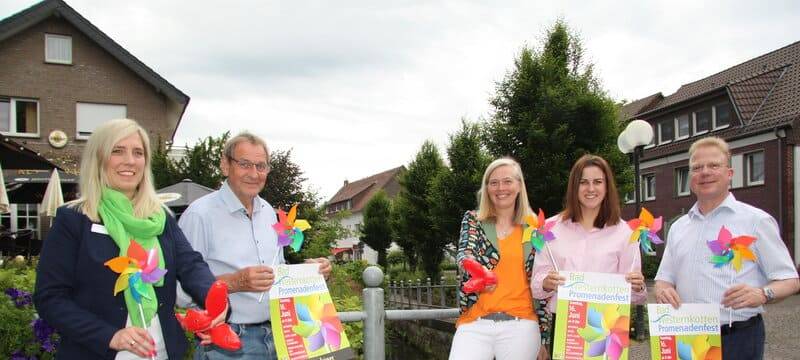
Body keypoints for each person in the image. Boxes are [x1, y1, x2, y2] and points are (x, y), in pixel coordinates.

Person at [34, 119, 224, 359]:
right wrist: (109, 335)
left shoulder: (161, 218)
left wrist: (214, 298)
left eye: (138, 153)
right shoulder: (73, 220)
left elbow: (191, 265)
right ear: (99, 158)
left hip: (161, 352)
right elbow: (49, 297)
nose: (130, 161)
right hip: (96, 351)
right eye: (117, 151)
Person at [178, 132, 332, 360]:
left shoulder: (269, 212)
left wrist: (308, 272)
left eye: (261, 166)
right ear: (225, 165)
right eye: (244, 164)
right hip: (226, 341)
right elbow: (179, 292)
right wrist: (235, 282)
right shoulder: (199, 215)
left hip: (280, 337)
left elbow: (275, 272)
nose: (253, 174)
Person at [655, 137, 799, 360]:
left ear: (729, 173)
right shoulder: (678, 227)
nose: (705, 172)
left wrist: (763, 293)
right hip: (685, 334)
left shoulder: (756, 221)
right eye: (697, 168)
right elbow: (663, 279)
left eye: (713, 165)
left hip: (737, 339)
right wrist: (663, 290)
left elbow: (790, 280)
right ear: (691, 178)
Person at [530, 154, 646, 355]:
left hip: (609, 325)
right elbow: (536, 286)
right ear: (574, 188)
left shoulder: (626, 232)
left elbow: (636, 295)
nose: (591, 189)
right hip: (567, 324)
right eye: (583, 182)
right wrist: (546, 282)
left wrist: (637, 286)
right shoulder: (549, 229)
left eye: (598, 182)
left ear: (607, 187)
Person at [448, 157, 544, 360]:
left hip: (522, 322)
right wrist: (478, 273)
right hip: (475, 321)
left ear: (519, 186)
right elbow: (465, 252)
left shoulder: (535, 226)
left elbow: (542, 278)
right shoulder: (473, 219)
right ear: (487, 188)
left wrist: (545, 338)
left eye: (507, 181)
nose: (501, 188)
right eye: (493, 182)